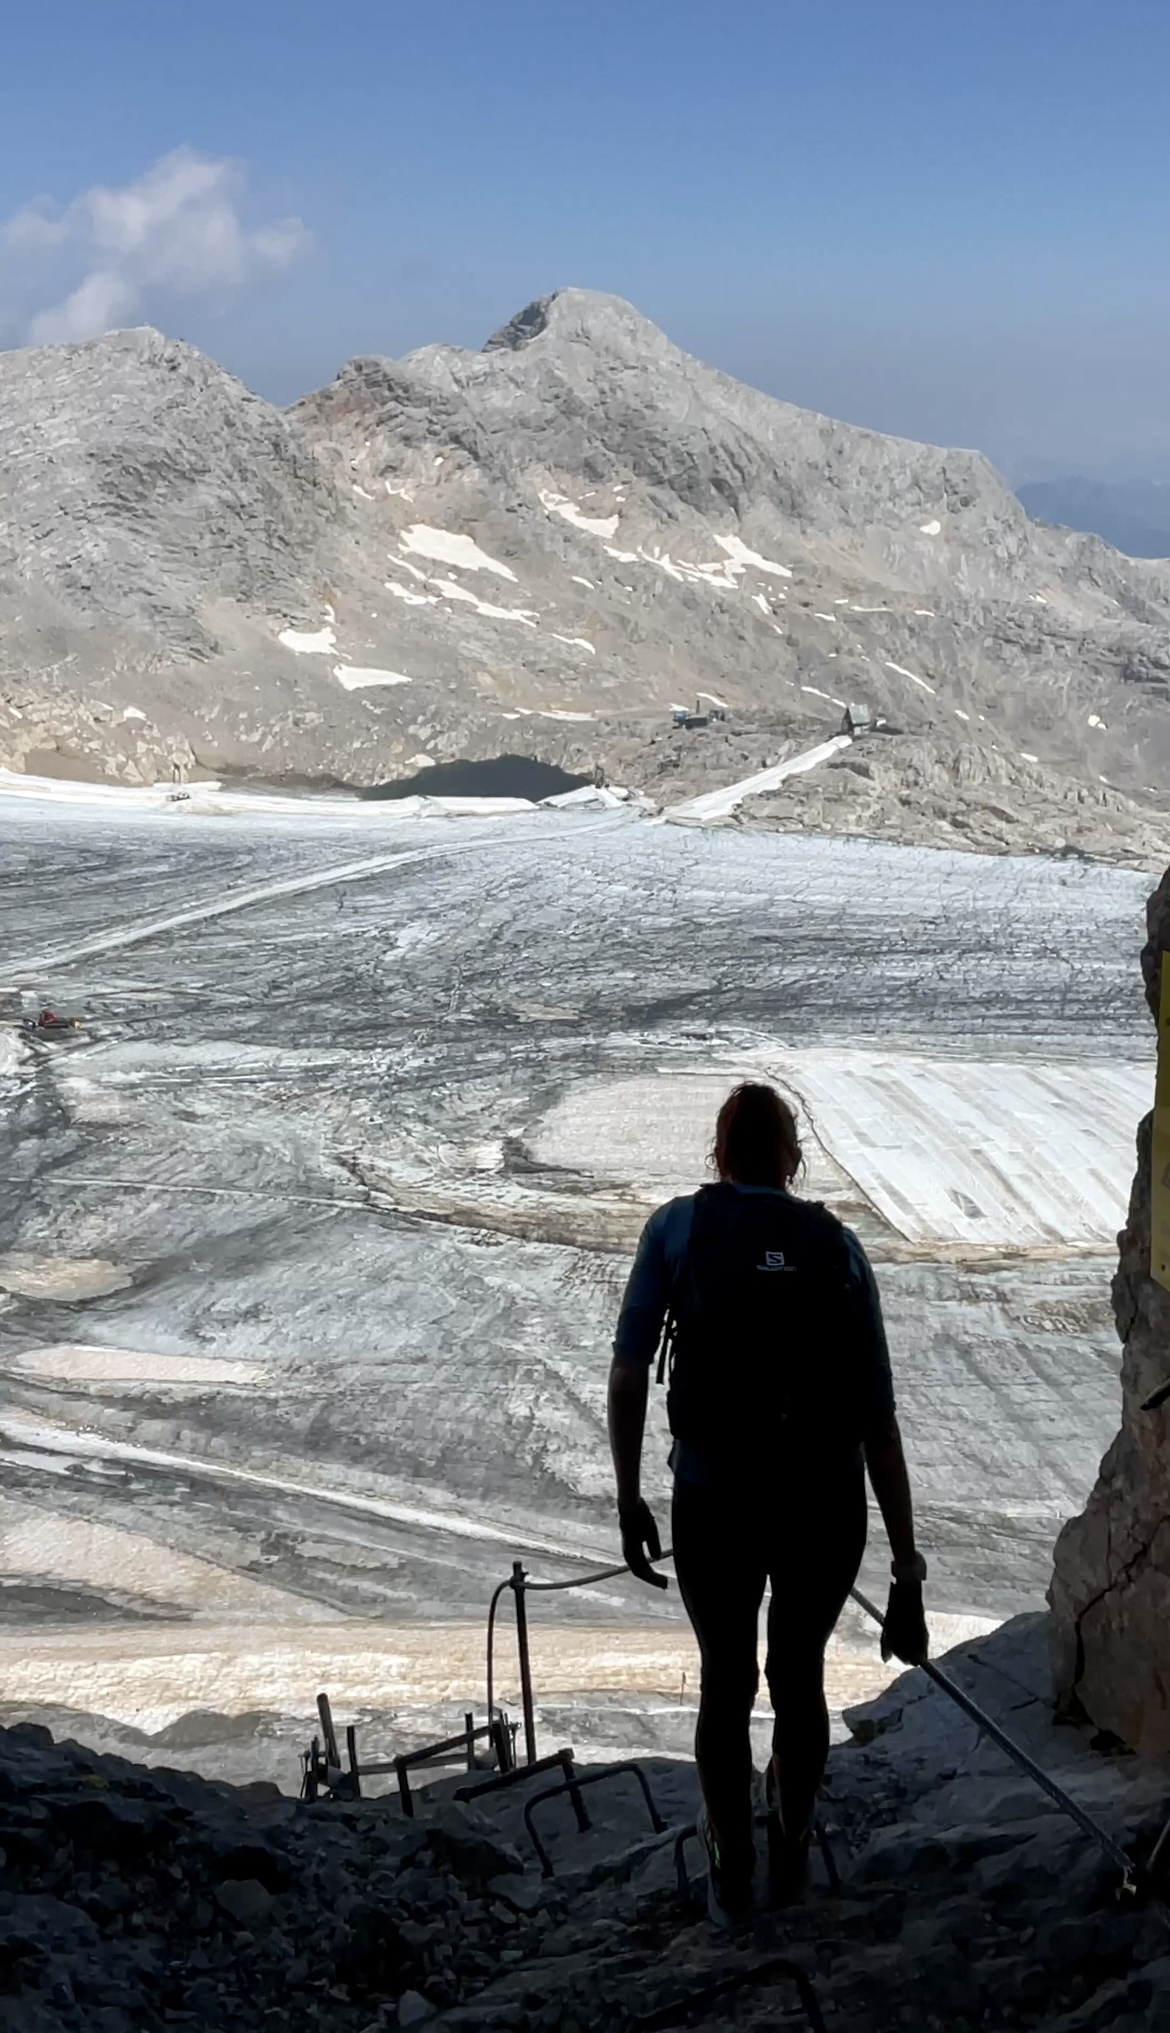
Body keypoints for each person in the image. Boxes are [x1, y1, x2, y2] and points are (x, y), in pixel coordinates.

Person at [607, 1081, 928, 1925]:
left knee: (726, 1678)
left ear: (718, 1154)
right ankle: (791, 1842)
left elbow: (630, 1367)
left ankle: (728, 1862)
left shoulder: (677, 1229)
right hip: (824, 1502)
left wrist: (630, 1495)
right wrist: (906, 1567)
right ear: (792, 1157)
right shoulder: (839, 1248)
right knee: (799, 1677)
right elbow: (878, 1422)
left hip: (715, 1496)